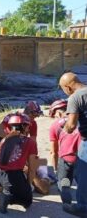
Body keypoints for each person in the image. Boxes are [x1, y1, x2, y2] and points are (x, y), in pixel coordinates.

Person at [0, 113, 38, 214]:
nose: (28, 128)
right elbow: (32, 168)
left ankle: (6, 190)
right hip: (13, 176)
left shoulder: (3, 140)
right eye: (27, 126)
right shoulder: (30, 142)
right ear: (23, 126)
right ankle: (5, 196)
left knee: (19, 191)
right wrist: (28, 185)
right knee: (27, 201)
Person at [58, 71, 87, 217]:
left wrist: (63, 127)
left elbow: (71, 125)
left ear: (68, 87)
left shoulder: (75, 97)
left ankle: (82, 207)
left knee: (83, 175)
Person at [48, 99, 81, 204]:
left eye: (55, 115)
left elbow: (54, 152)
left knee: (63, 182)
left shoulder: (55, 125)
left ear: (58, 112)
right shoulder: (80, 119)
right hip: (82, 158)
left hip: (66, 159)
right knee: (82, 183)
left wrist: (55, 170)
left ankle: (66, 202)